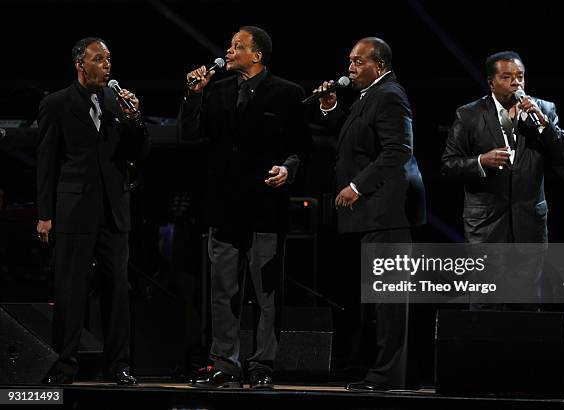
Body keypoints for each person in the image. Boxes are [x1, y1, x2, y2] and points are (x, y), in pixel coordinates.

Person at [179, 26, 310, 389]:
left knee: (266, 293)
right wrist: (193, 96)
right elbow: (188, 136)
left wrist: (290, 168)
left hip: (266, 207)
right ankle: (225, 362)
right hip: (223, 209)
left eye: (238, 46)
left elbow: (304, 148)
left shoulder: (287, 93)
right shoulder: (217, 91)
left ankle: (262, 363)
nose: (229, 50)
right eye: (230, 45)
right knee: (223, 290)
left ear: (257, 56)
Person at [36, 37, 149, 385]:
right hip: (75, 210)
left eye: (109, 59)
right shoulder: (57, 104)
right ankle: (64, 365)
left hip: (114, 212)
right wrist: (45, 214)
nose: (107, 65)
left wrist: (135, 120)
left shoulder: (117, 104)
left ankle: (119, 366)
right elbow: (46, 162)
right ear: (80, 64)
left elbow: (139, 154)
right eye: (99, 59)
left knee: (117, 291)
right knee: (71, 289)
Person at [316, 37, 426, 391]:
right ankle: (380, 371)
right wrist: (332, 109)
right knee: (380, 299)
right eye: (350, 61)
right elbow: (356, 141)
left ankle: (387, 376)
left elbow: (398, 150)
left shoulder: (391, 95)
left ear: (379, 65)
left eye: (358, 61)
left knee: (391, 301)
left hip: (389, 213)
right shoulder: (370, 97)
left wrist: (357, 186)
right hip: (375, 216)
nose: (350, 68)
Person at [441, 50, 564, 305]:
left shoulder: (543, 110)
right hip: (486, 228)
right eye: (508, 77)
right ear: (491, 82)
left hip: (529, 227)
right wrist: (481, 161)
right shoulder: (469, 114)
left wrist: (544, 124)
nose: (516, 83)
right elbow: (448, 165)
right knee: (484, 302)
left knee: (525, 303)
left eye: (520, 77)